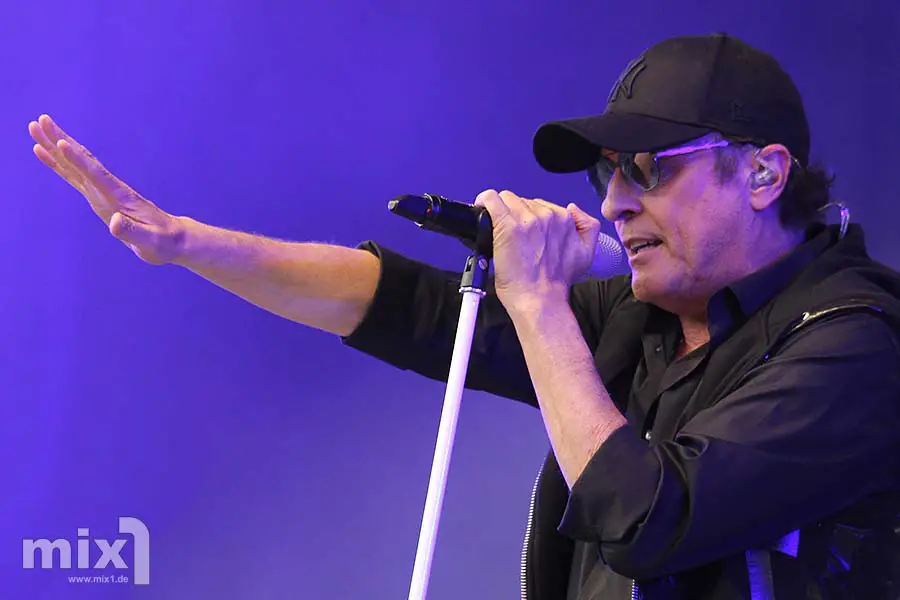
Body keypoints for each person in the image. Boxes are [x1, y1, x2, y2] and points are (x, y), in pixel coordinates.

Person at [29, 32, 900, 599]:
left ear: (763, 174)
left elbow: (650, 519)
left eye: (651, 168)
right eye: (609, 174)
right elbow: (405, 308)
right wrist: (189, 243)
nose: (617, 203)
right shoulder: (648, 320)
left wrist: (539, 301)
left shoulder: (854, 345)